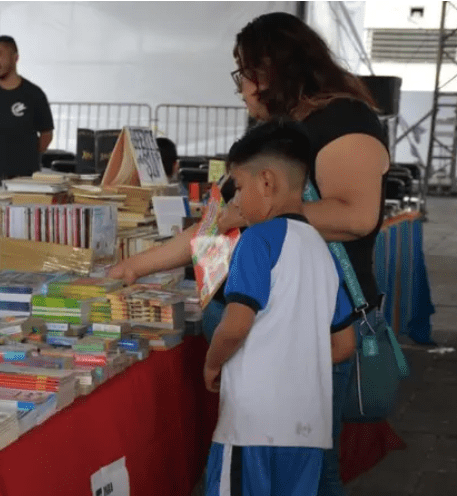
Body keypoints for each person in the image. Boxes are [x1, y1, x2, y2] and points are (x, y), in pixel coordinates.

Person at [109, 12, 387, 495]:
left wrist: (261, 212)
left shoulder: (342, 121)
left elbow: (357, 215)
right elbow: (212, 227)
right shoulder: (270, 141)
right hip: (264, 334)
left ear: (271, 68)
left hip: (305, 330)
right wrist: (133, 266)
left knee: (309, 471)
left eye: (243, 72)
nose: (239, 88)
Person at [204, 120, 354, 496]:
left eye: (238, 187)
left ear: (266, 182)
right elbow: (343, 345)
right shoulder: (323, 251)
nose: (235, 201)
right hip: (308, 430)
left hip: (252, 427)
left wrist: (212, 361)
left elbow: (235, 327)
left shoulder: (256, 241)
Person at [0, 36, 54, 179]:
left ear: (15, 58)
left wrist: (28, 155)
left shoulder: (34, 94)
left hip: (25, 177)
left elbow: (46, 134)